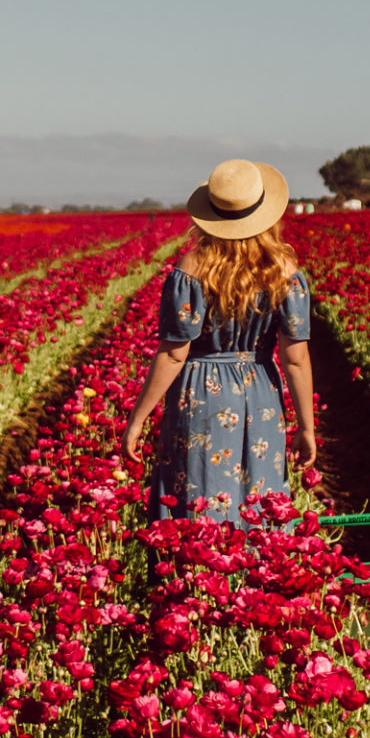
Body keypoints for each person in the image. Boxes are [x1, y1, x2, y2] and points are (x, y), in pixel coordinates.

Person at [122, 157, 316, 524]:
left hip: (200, 392)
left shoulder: (190, 270)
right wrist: (306, 428)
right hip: (260, 391)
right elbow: (295, 359)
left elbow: (173, 355)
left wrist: (137, 419)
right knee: (259, 493)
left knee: (198, 491)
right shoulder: (285, 273)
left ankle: (197, 573)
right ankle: (254, 574)